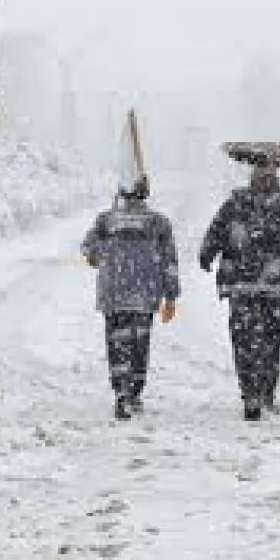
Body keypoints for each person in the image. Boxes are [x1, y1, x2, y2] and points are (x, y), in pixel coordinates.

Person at [198, 164, 280, 421]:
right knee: (266, 340)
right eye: (263, 178)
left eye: (268, 179)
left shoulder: (241, 204)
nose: (265, 183)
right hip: (269, 285)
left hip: (250, 284)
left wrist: (208, 254)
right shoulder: (274, 204)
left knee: (248, 340)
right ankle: (259, 392)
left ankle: (255, 392)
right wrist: (207, 253)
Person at [81, 173, 181, 421]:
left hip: (114, 294)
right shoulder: (159, 223)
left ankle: (121, 393)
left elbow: (88, 248)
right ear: (145, 193)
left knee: (117, 344)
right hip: (145, 295)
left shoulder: (106, 220)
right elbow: (169, 262)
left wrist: (96, 256)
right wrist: (171, 296)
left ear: (121, 192)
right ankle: (134, 392)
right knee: (139, 345)